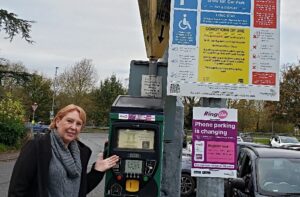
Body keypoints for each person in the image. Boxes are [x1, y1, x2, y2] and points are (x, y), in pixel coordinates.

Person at [8, 104, 119, 197]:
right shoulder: (37, 147)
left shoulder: (81, 153)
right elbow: (17, 190)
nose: (73, 127)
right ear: (57, 121)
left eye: (78, 124)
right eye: (69, 121)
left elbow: (81, 190)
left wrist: (97, 171)